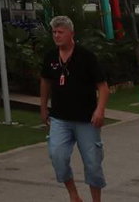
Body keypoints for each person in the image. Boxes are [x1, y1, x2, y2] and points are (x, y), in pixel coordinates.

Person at [39, 16, 108, 202]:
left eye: (60, 32)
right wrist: (43, 107)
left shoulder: (86, 56)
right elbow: (45, 82)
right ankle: (74, 195)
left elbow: (102, 87)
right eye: (54, 32)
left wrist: (100, 110)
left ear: (71, 33)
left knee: (93, 163)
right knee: (57, 156)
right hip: (60, 118)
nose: (56, 35)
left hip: (86, 119)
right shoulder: (51, 57)